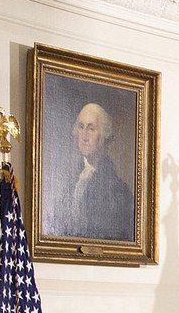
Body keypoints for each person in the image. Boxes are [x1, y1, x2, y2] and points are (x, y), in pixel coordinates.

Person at [50, 101, 134, 241]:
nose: (84, 136)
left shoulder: (118, 190)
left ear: (104, 135)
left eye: (91, 129)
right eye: (81, 127)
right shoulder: (69, 179)